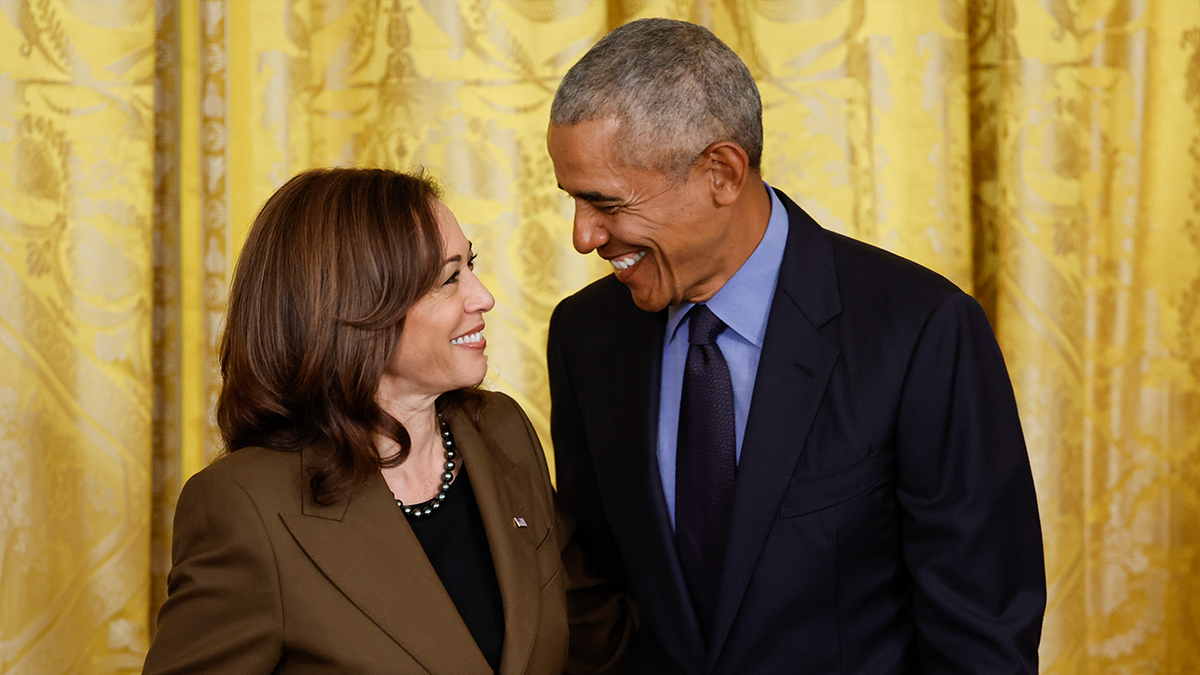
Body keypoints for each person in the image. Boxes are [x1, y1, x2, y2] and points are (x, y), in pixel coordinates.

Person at [545, 18, 1045, 675]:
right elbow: (598, 594)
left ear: (722, 172)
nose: (583, 236)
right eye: (573, 201)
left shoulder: (922, 331)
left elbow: (981, 639)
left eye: (604, 202)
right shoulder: (586, 335)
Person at [143, 168, 630, 675]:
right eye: (449, 278)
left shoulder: (501, 430)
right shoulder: (243, 507)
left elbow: (593, 640)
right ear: (354, 308)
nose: (483, 297)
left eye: (472, 264)